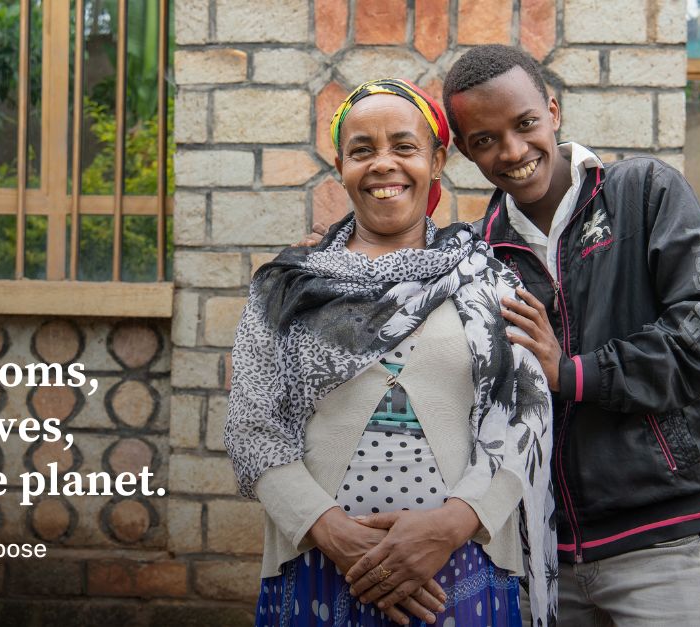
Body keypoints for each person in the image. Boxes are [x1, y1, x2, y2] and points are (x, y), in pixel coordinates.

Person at [224, 78, 558, 627]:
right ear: (340, 167)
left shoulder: (489, 280)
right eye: (363, 151)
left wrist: (450, 525)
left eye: (404, 147)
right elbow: (253, 426)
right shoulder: (289, 286)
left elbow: (525, 415)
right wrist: (337, 535)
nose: (384, 165)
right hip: (319, 566)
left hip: (462, 567)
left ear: (436, 160)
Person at [444, 45, 700, 625]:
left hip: (659, 540)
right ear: (463, 151)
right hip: (538, 553)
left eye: (525, 123)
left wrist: (572, 373)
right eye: (484, 140)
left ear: (552, 109)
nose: (512, 151)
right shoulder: (477, 252)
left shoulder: (644, 192)